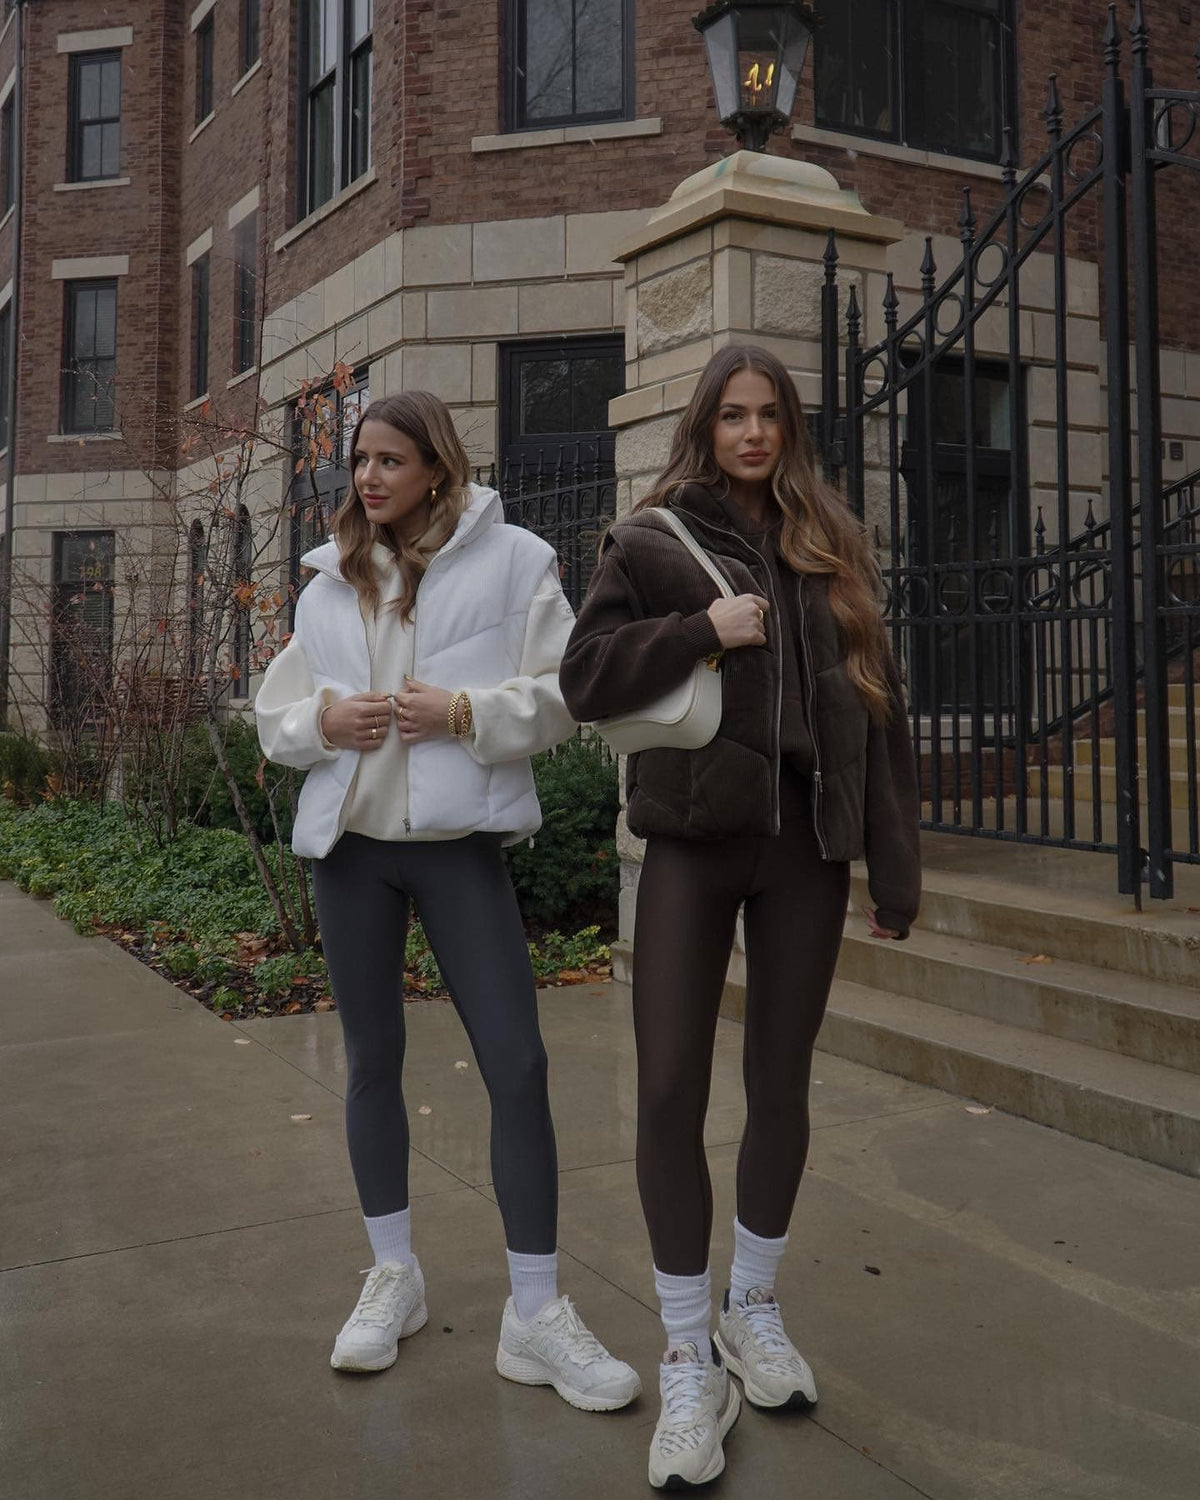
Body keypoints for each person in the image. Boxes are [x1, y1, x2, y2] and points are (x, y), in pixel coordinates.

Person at [560, 345, 920, 1488]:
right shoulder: (655, 540)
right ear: (706, 427)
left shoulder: (833, 544)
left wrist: (894, 865)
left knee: (782, 1081)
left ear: (790, 427)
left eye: (770, 417)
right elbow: (584, 677)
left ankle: (750, 1309)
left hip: (807, 848)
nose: (753, 434)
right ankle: (685, 1352)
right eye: (734, 417)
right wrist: (702, 635)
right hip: (690, 843)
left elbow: (881, 706)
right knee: (668, 1085)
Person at [255, 390, 640, 1413]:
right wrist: (323, 725)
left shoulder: (515, 562)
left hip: (460, 849)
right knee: (373, 1063)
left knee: (519, 1062)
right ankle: (395, 1276)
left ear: (437, 465)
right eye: (360, 463)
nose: (368, 478)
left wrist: (467, 710)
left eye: (389, 460)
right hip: (352, 857)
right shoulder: (327, 580)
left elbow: (572, 690)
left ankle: (534, 1313)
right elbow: (275, 716)